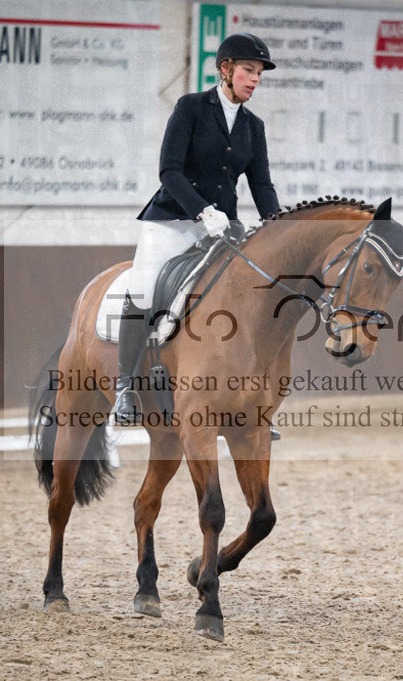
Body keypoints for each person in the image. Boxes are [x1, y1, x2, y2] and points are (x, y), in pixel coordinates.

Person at [113, 33, 281, 423]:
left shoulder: (253, 127)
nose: (255, 80)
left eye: (258, 74)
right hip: (173, 219)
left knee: (254, 294)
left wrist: (276, 227)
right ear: (225, 69)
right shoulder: (190, 108)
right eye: (248, 71)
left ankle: (250, 395)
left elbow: (262, 185)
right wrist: (203, 212)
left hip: (225, 229)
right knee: (144, 286)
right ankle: (125, 387)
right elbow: (168, 170)